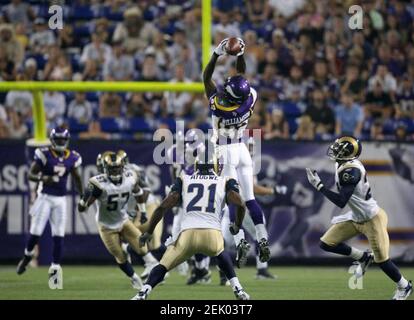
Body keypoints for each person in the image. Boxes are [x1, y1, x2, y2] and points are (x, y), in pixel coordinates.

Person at [306, 136, 412, 300]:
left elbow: (341, 201)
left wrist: (319, 186)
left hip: (372, 219)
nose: (334, 150)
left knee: (383, 261)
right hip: (356, 217)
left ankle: (404, 286)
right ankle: (363, 257)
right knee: (326, 243)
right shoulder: (341, 164)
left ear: (348, 154)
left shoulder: (351, 171)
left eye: (339, 149)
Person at [131, 158, 250, 300]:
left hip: (187, 235)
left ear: (196, 166)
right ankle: (238, 289)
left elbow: (163, 207)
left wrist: (149, 232)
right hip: (212, 234)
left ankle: (142, 293)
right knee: (220, 252)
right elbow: (241, 204)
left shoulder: (184, 178)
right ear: (216, 166)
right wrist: (236, 226)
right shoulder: (225, 180)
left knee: (163, 265)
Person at [202, 37, 270, 265]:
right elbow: (241, 77)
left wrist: (216, 54)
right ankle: (262, 238)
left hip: (225, 151)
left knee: (232, 197)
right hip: (242, 149)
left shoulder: (220, 105)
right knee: (249, 198)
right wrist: (239, 53)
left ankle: (240, 238)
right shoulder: (250, 97)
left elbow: (206, 78)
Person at [16, 127, 84, 288]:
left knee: (59, 235)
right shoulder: (45, 154)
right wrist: (44, 178)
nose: (61, 143)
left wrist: (82, 197)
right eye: (58, 140)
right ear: (53, 140)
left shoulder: (72, 157)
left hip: (60, 200)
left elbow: (77, 178)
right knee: (36, 232)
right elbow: (30, 174)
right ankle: (27, 255)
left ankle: (55, 270)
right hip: (44, 197)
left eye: (63, 140)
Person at [77, 152, 148, 289]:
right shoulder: (99, 184)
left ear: (122, 167)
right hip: (106, 226)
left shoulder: (130, 177)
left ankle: (128, 247)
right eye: (112, 169)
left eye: (117, 168)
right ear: (105, 169)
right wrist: (83, 201)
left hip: (123, 220)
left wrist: (143, 210)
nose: (115, 171)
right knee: (119, 256)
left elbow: (139, 193)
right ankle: (133, 277)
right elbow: (83, 207)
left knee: (142, 246)